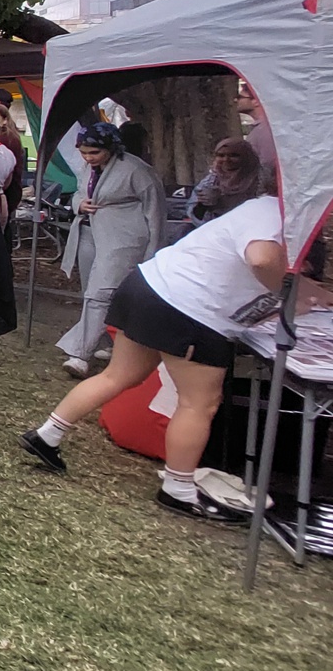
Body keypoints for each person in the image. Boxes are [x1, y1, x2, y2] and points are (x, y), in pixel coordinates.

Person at [22, 189, 333, 521]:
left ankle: (46, 435)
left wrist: (308, 293)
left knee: (120, 375)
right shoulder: (274, 215)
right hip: (188, 310)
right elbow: (261, 259)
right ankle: (179, 491)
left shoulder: (265, 211)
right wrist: (296, 288)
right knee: (199, 403)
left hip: (148, 286)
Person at [53, 122, 166, 378]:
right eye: (84, 153)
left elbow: (156, 211)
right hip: (89, 232)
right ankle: (106, 343)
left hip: (125, 238)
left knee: (100, 293)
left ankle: (80, 354)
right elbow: (79, 192)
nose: (88, 158)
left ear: (111, 148)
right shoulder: (87, 169)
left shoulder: (137, 170)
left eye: (94, 153)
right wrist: (79, 203)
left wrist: (154, 251)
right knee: (90, 292)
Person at [190, 138, 263, 224]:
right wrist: (205, 204)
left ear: (246, 156)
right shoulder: (211, 181)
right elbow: (196, 216)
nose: (226, 160)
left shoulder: (261, 180)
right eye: (221, 155)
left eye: (234, 155)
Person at [238, 80, 276, 175]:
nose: (236, 100)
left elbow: (268, 164)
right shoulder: (260, 128)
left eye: (240, 97)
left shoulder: (265, 130)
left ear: (256, 101)